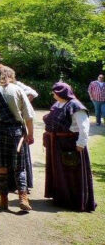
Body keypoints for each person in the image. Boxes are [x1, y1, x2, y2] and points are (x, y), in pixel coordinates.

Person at [0, 64, 35, 211]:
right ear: (11, 76)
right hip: (16, 132)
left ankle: (3, 200)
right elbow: (28, 116)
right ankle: (23, 197)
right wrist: (31, 134)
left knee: (0, 167)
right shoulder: (17, 89)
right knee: (19, 166)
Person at [43, 82, 97, 212]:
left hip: (71, 144)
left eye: (55, 92)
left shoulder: (76, 106)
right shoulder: (57, 104)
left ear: (61, 92)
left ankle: (74, 200)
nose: (53, 94)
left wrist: (81, 143)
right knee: (59, 172)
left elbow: (84, 127)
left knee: (72, 173)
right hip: (57, 143)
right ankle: (61, 198)